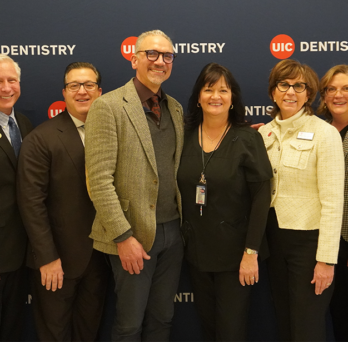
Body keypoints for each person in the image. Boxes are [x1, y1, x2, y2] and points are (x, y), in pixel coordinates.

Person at [85, 30, 184, 342]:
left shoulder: (176, 108)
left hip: (173, 234)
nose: (160, 61)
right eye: (152, 54)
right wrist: (123, 236)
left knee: (162, 320)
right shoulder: (108, 106)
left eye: (167, 55)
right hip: (132, 235)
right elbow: (98, 180)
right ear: (134, 59)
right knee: (129, 325)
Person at [177, 62, 272, 342]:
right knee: (208, 328)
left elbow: (261, 197)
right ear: (198, 97)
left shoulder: (247, 138)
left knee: (230, 332)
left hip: (236, 256)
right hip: (196, 252)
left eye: (223, 90)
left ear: (233, 99)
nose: (215, 96)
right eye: (208, 89)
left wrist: (251, 252)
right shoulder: (183, 137)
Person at [17, 62, 110, 342]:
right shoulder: (41, 139)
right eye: (74, 86)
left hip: (99, 260)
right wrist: (47, 257)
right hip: (56, 263)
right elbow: (31, 203)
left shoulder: (111, 134)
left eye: (89, 85)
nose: (82, 91)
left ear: (99, 91)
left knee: (89, 332)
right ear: (64, 92)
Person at [259, 59, 345, 342]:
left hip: (309, 246)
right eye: (284, 85)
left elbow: (333, 202)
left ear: (309, 94)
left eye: (299, 86)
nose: (290, 92)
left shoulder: (325, 134)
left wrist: (326, 260)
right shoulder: (263, 134)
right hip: (273, 242)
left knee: (307, 327)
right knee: (284, 322)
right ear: (273, 92)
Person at [0, 54, 32, 342]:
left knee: (12, 327)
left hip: (21, 251)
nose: (7, 87)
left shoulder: (23, 123)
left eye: (12, 80)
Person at [318, 64, 348, 342]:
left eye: (346, 88)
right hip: (329, 243)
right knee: (339, 316)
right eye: (332, 89)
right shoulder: (318, 131)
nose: (338, 95)